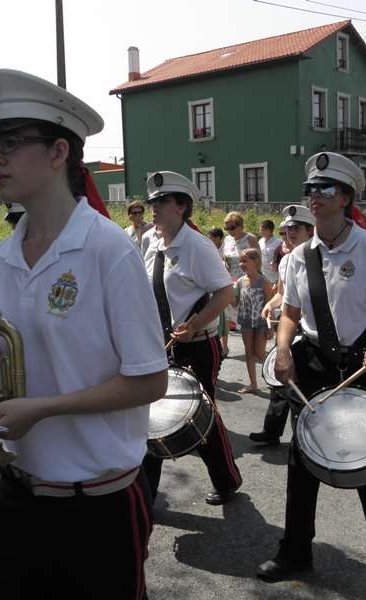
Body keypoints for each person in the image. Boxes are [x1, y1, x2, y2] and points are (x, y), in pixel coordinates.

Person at [0, 69, 168, 600]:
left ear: (57, 153)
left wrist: (43, 407)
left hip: (97, 503)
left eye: (9, 143)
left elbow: (150, 382)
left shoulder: (108, 251)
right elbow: (8, 347)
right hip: (19, 490)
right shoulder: (2, 253)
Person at [257, 152, 366, 582]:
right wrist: (282, 350)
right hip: (313, 363)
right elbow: (291, 314)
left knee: (365, 453)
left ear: (345, 198)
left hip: (360, 360)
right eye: (310, 191)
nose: (314, 197)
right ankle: (295, 550)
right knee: (304, 460)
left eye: (324, 190)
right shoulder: (298, 256)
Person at [141, 171, 243, 506]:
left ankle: (227, 480)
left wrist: (195, 322)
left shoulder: (197, 246)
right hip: (161, 346)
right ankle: (145, 494)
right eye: (152, 201)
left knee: (202, 416)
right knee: (153, 416)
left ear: (182, 207)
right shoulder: (151, 243)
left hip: (198, 346)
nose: (153, 207)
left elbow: (225, 293)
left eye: (161, 201)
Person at [249, 205, 315, 445]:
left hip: (310, 332)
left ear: (311, 230)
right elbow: (283, 294)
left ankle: (304, 438)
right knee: (278, 379)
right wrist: (270, 304)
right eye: (287, 229)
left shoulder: (320, 258)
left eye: (296, 228)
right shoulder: (287, 260)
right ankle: (272, 432)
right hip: (288, 327)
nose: (290, 233)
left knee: (302, 387)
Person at [232, 248, 273, 393]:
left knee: (260, 353)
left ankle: (275, 376)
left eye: (245, 261)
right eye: (240, 261)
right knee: (248, 352)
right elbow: (235, 303)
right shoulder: (240, 282)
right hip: (246, 321)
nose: (241, 264)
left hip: (261, 322)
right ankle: (253, 383)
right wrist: (229, 293)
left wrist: (270, 327)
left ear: (255, 262)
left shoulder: (264, 281)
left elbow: (269, 304)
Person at [222, 211, 259, 331]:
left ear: (240, 226)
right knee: (230, 316)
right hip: (231, 281)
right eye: (226, 228)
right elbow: (224, 257)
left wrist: (255, 280)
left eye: (232, 228)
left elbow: (258, 261)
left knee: (247, 318)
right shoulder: (227, 239)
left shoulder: (250, 239)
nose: (229, 231)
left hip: (247, 281)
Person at [207, 227, 229, 356]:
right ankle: (221, 345)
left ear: (219, 238)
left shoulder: (225, 248)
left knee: (224, 318)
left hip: (226, 285)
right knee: (218, 318)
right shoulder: (208, 249)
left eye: (211, 239)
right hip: (214, 286)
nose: (209, 241)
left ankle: (224, 346)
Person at [258, 219, 281, 286]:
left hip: (275, 276)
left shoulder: (278, 243)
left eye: (261, 230)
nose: (260, 232)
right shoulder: (260, 241)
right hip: (263, 275)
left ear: (268, 230)